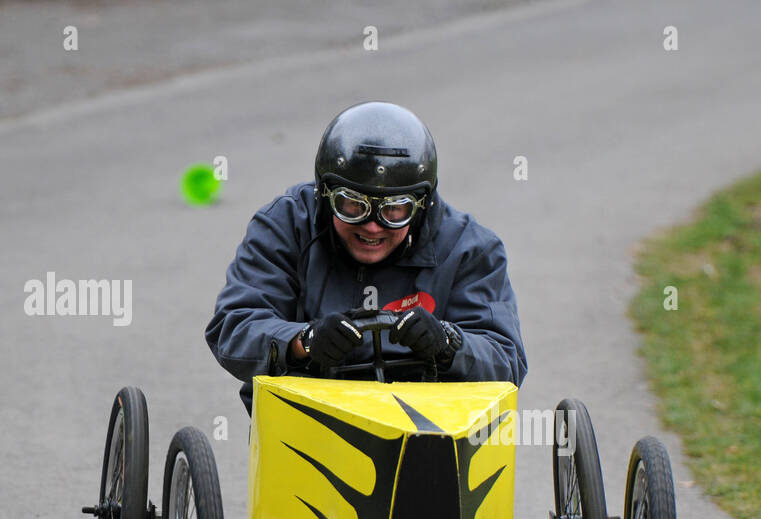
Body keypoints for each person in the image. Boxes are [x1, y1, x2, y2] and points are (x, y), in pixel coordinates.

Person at [206, 101, 527, 415]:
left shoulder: (469, 248)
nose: (373, 226)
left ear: (421, 206)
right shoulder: (285, 225)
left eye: (394, 209)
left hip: (427, 427)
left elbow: (505, 358)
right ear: (325, 192)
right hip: (311, 418)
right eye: (353, 205)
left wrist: (448, 343)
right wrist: (302, 341)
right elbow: (233, 326)